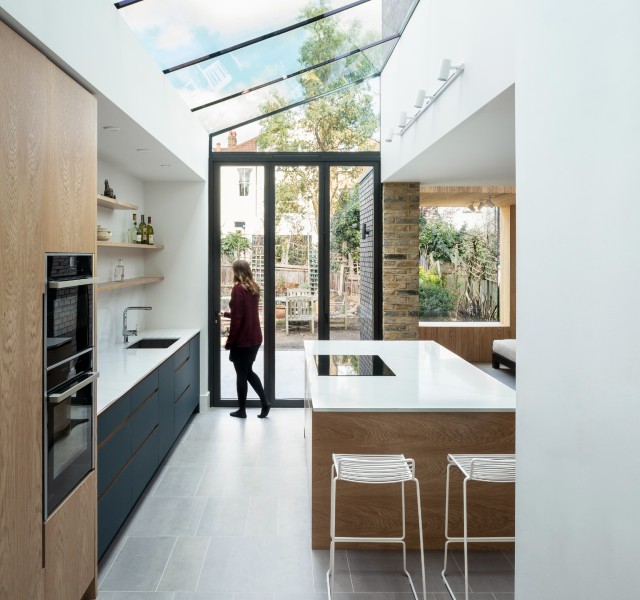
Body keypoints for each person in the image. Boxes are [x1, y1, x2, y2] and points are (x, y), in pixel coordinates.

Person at [219, 259, 270, 418]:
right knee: (247, 372)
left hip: (243, 340)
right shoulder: (253, 288)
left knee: (242, 374)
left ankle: (242, 410)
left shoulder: (238, 290)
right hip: (255, 337)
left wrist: (229, 341)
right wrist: (224, 314)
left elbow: (238, 320)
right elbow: (244, 312)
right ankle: (265, 403)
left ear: (236, 272)